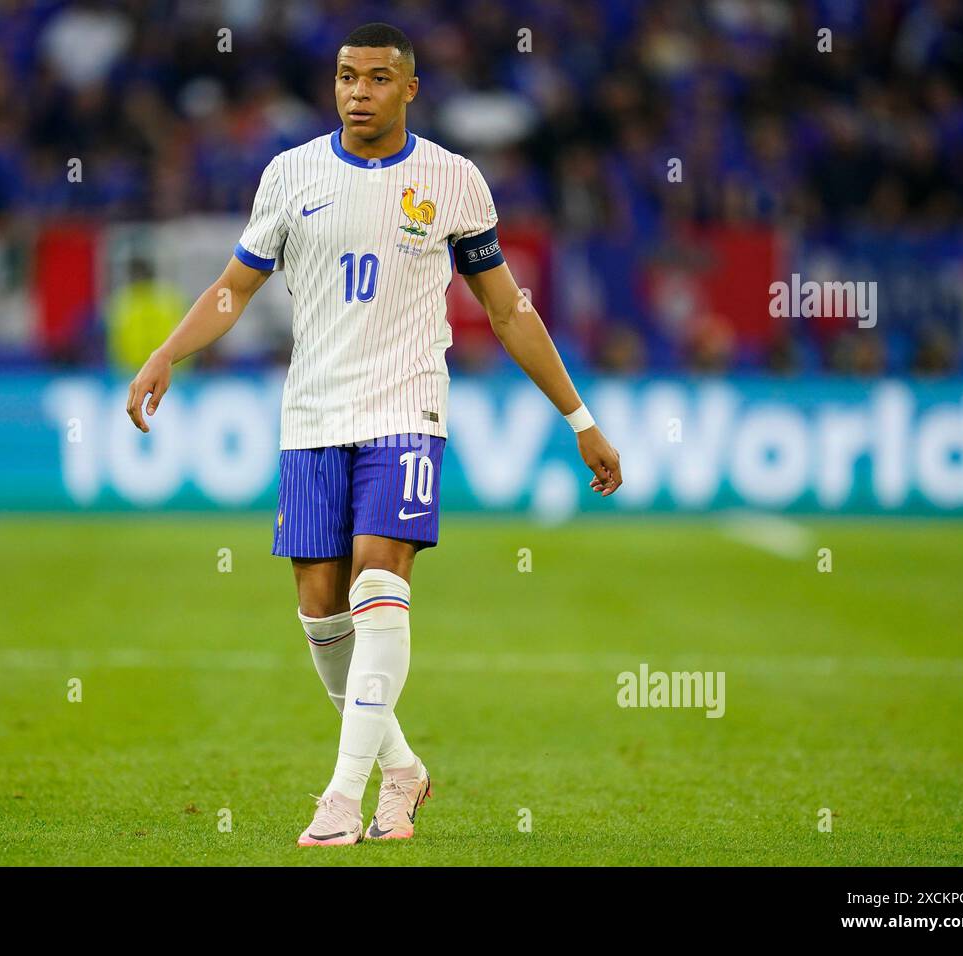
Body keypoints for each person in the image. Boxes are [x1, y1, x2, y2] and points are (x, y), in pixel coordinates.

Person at [126, 22, 622, 847]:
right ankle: (402, 770)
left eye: (379, 78)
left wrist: (581, 418)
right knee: (321, 613)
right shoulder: (291, 175)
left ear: (410, 89)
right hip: (313, 414)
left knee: (377, 585)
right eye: (347, 76)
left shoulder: (454, 181)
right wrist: (166, 353)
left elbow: (507, 310)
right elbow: (231, 288)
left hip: (406, 409)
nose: (359, 91)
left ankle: (339, 798)